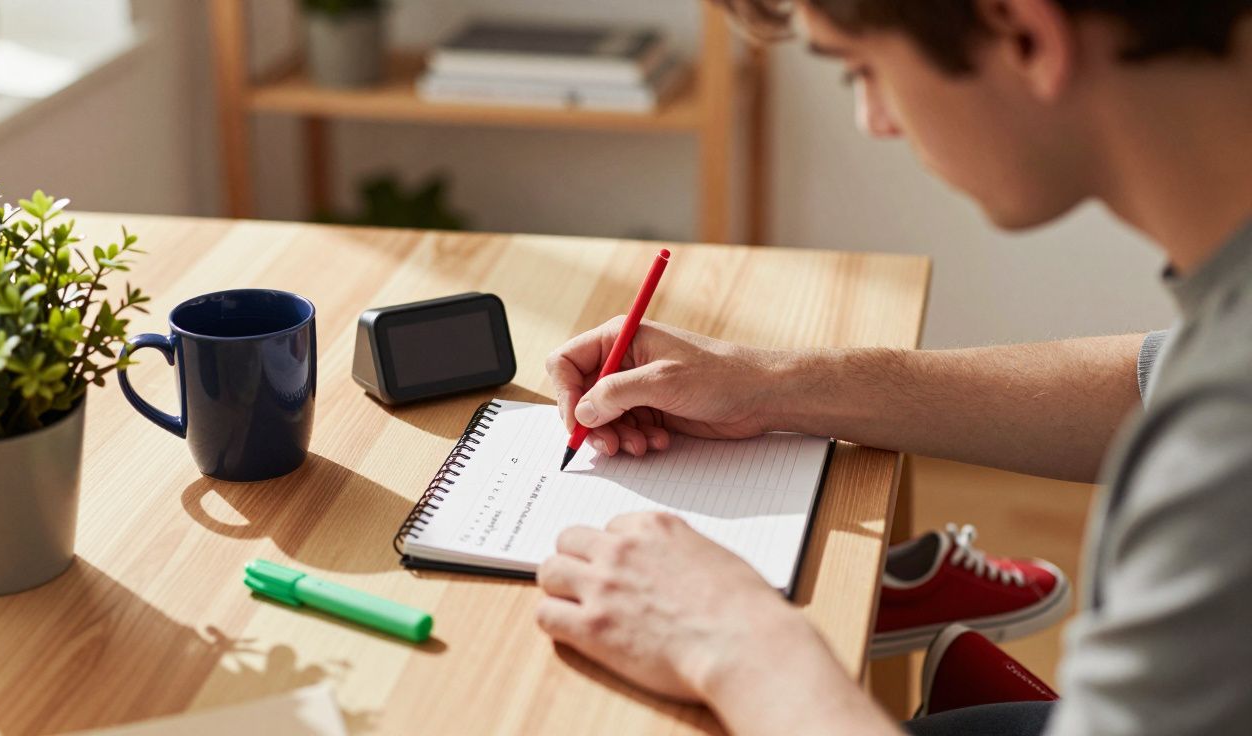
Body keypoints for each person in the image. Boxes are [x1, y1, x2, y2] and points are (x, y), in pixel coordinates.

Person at [534, 1, 1252, 734]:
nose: (874, 120)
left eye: (862, 68)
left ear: (1025, 35)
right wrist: (771, 384)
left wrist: (738, 638)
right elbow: (1150, 385)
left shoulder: (1227, 434)